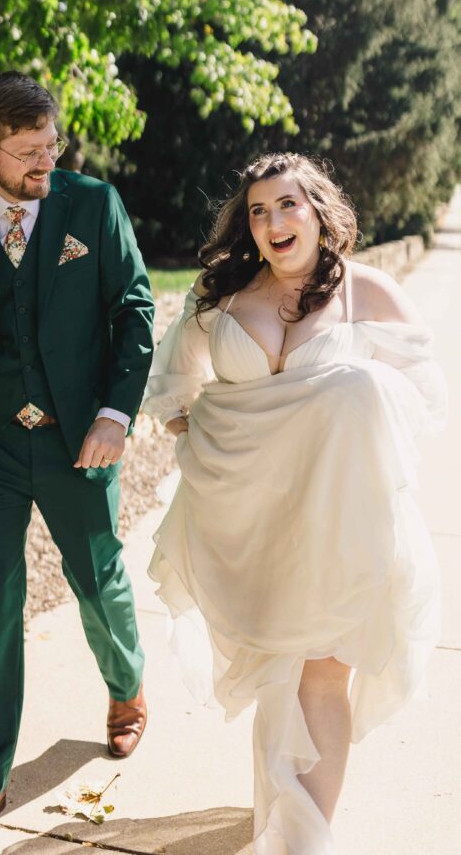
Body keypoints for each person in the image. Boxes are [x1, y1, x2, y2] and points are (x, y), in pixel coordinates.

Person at [143, 153, 445, 855]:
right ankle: (275, 821)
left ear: (317, 211)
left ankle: (305, 842)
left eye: (287, 205)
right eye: (258, 210)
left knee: (321, 674)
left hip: (339, 527)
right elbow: (171, 383)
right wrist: (207, 441)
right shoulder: (220, 296)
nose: (273, 222)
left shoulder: (364, 293)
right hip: (251, 525)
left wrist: (350, 401)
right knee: (281, 672)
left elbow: (425, 396)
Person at [0, 71, 154, 855]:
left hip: (81, 437)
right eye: (30, 150)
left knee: (97, 578)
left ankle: (125, 686)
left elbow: (135, 307)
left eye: (53, 143)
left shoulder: (93, 205)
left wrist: (114, 414)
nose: (49, 158)